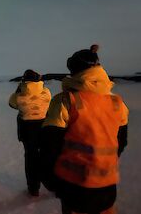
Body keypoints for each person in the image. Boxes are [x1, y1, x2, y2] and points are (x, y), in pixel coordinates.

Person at [42, 48, 129, 214]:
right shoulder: (117, 103)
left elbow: (50, 145)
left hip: (75, 187)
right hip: (107, 185)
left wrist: (50, 180)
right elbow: (121, 142)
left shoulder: (66, 101)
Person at [9, 69, 51, 196]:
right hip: (44, 127)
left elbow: (12, 104)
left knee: (31, 158)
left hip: (27, 129)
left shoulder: (20, 96)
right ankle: (49, 182)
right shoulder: (46, 92)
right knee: (45, 156)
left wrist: (19, 89)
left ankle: (33, 188)